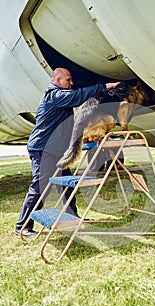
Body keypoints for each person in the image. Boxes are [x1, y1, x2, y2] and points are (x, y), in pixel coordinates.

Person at [15, 68, 120, 236]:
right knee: (40, 187)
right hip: (43, 149)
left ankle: (72, 216)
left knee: (66, 185)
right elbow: (78, 96)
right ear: (57, 81)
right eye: (68, 80)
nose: (71, 83)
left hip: (56, 151)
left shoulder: (60, 97)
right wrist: (105, 86)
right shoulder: (55, 96)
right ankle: (23, 226)